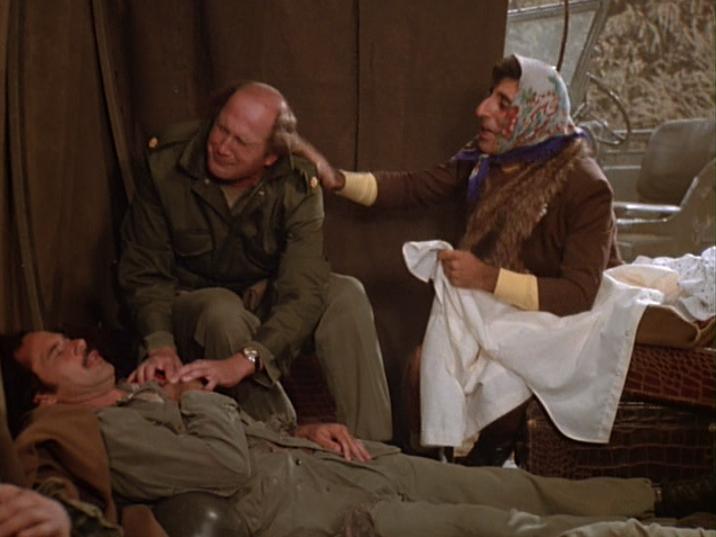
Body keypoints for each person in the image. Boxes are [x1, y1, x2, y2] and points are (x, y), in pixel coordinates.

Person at [8, 330, 715, 537]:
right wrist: (192, 396)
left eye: (70, 337)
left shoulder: (140, 392)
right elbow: (225, 467)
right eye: (59, 352)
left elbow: (251, 437)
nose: (80, 344)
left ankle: (663, 498)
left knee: (518, 487)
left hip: (351, 465)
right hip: (340, 517)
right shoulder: (107, 432)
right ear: (45, 395)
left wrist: (309, 425)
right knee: (507, 527)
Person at [293, 54, 622, 461]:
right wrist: (337, 179)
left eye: (503, 104)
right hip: (497, 307)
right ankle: (430, 470)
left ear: (536, 115)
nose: (482, 110)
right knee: (422, 368)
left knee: (499, 387)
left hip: (560, 322)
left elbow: (579, 294)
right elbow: (416, 187)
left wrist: (486, 277)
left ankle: (479, 473)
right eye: (490, 97)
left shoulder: (585, 185)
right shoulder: (488, 159)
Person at [118, 81, 392, 440]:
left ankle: (372, 449)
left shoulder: (296, 181)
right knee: (222, 311)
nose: (222, 147)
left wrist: (250, 356)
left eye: (241, 142)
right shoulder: (167, 162)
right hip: (190, 304)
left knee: (346, 294)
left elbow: (302, 289)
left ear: (270, 157)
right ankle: (284, 443)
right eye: (221, 129)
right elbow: (145, 271)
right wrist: (160, 344)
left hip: (261, 297)